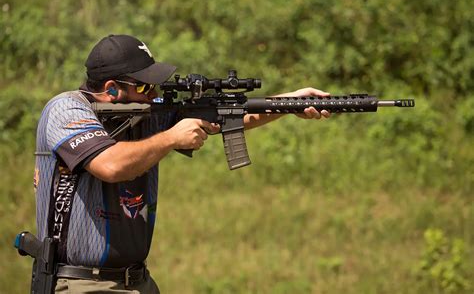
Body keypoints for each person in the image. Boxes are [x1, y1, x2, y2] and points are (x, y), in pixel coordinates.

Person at [33, 34, 330, 293]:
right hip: (82, 285)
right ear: (112, 89)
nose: (155, 95)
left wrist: (288, 103)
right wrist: (171, 138)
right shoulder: (67, 110)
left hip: (137, 281)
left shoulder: (144, 111)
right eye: (146, 88)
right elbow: (110, 165)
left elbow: (231, 115)